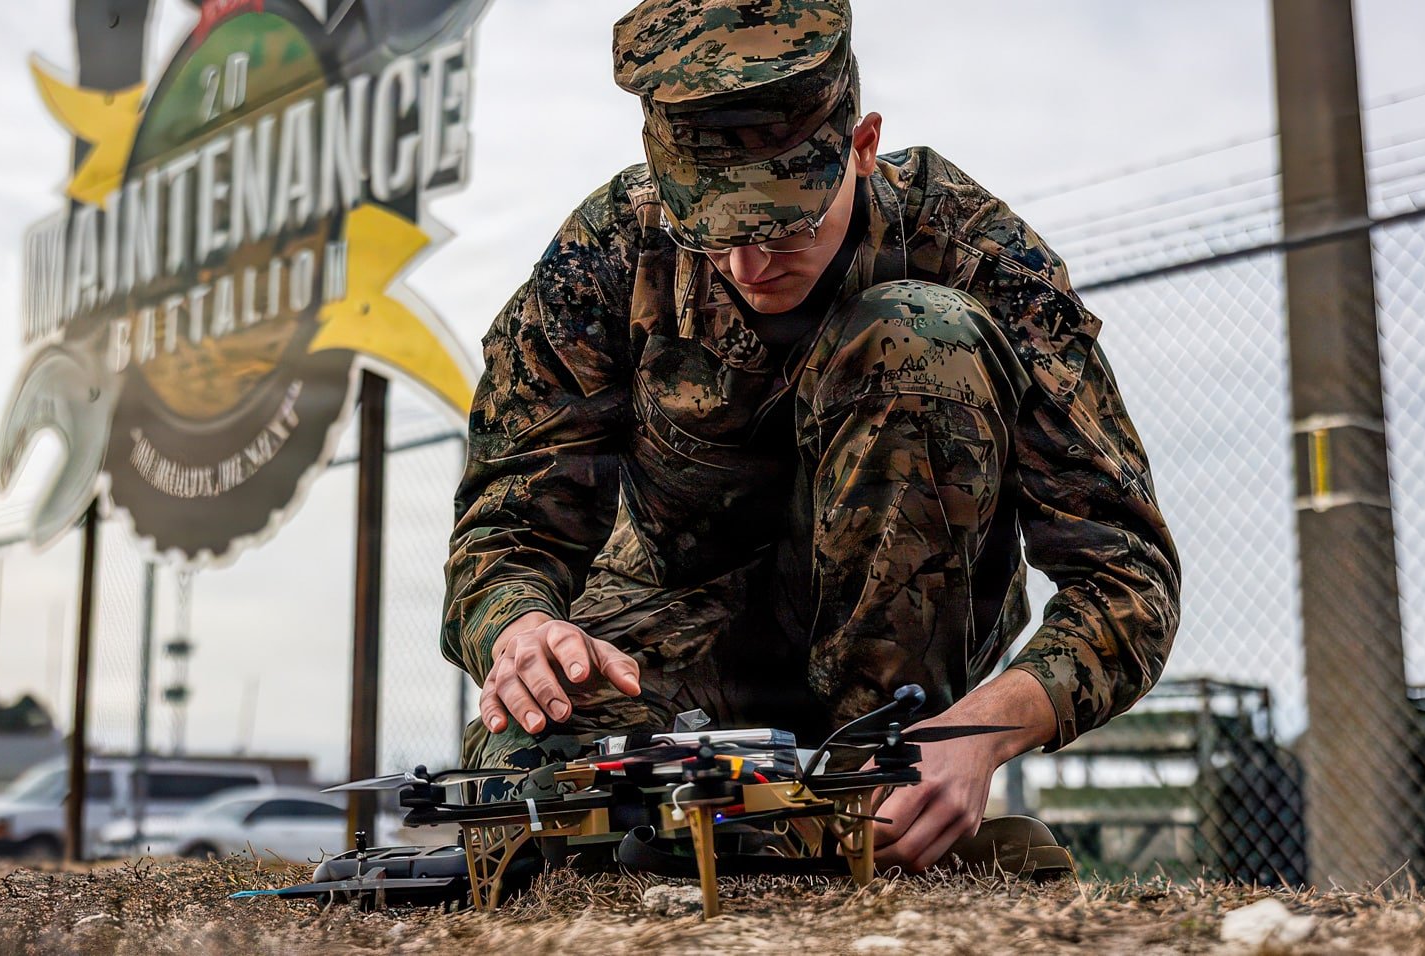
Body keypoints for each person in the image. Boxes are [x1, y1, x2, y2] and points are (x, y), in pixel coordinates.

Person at [442, 0, 1180, 873]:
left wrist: (978, 734)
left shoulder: (977, 253)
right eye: (713, 234)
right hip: (673, 647)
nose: (751, 266)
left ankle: (880, 791)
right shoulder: (608, 254)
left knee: (917, 333)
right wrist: (521, 630)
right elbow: (507, 525)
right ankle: (795, 838)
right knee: (527, 781)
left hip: (903, 668)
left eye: (787, 224)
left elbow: (1127, 578)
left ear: (862, 146)